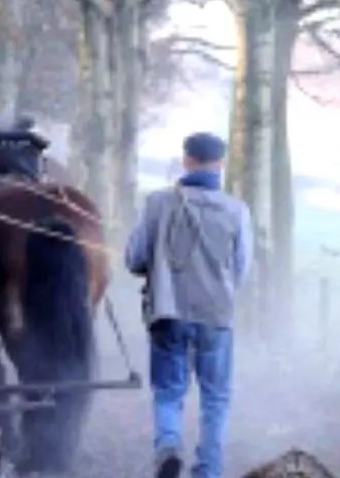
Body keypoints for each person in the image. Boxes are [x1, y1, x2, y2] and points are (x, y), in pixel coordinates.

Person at [124, 132, 253, 478]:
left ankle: (168, 445)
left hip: (168, 312)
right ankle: (208, 471)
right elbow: (241, 270)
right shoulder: (237, 210)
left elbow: (135, 259)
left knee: (168, 392)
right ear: (221, 164)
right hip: (216, 317)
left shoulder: (158, 203)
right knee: (216, 398)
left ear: (186, 160)